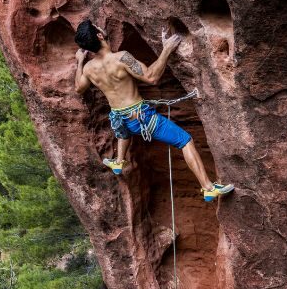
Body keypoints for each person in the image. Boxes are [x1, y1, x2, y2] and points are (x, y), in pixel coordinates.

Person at [73, 19, 234, 202]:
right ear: (100, 35)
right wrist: (166, 50)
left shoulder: (88, 68)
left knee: (122, 130)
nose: (101, 28)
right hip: (141, 118)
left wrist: (79, 61)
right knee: (185, 140)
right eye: (98, 28)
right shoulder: (122, 57)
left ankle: (118, 161)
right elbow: (151, 77)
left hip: (120, 119)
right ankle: (208, 188)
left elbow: (79, 88)